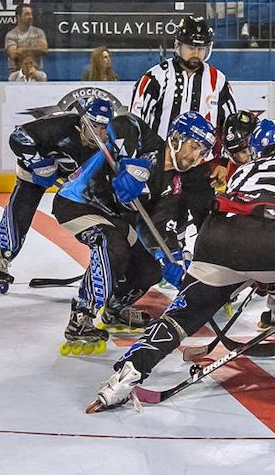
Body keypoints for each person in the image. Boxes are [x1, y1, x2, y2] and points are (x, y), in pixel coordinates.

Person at [87, 118, 275, 411]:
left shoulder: (242, 170)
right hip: (268, 238)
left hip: (213, 240)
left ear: (255, 150)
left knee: (184, 313)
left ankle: (125, 375)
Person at [61, 111, 216, 361]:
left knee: (150, 268)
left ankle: (116, 307)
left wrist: (171, 258)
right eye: (194, 146)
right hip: (79, 202)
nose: (196, 156)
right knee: (111, 245)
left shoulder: (172, 183)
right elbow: (124, 121)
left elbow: (157, 226)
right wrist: (127, 162)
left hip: (117, 218)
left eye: (202, 152)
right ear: (176, 138)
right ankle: (82, 316)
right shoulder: (147, 142)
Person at [0, 98, 117, 294]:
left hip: (72, 180)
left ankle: (103, 260)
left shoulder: (109, 141)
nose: (100, 134)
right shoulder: (60, 126)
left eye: (105, 128)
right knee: (21, 211)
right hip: (37, 169)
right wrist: (38, 163)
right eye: (95, 126)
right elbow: (18, 137)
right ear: (84, 122)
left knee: (99, 217)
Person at [130, 16, 237, 141]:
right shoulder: (155, 77)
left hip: (205, 159)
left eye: (201, 49)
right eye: (191, 48)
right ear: (178, 46)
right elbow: (135, 123)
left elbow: (231, 126)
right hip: (161, 157)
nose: (196, 54)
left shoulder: (218, 80)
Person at [4, 4, 48, 74]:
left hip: (36, 72)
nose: (30, 17)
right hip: (16, 73)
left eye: (31, 14)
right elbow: (13, 54)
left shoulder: (39, 32)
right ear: (18, 17)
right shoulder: (11, 35)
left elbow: (43, 49)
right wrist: (35, 50)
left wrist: (21, 50)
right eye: (27, 14)